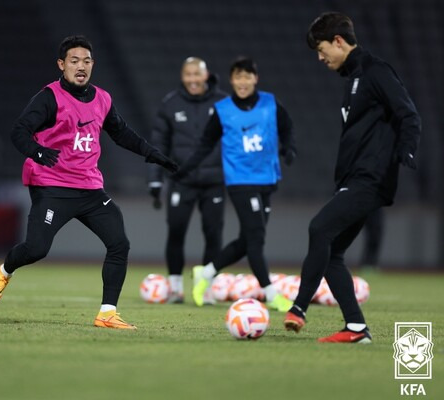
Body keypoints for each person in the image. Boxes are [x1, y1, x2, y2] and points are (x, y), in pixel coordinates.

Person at [0, 35, 178, 330]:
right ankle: (6, 270)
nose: (81, 66)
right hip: (52, 185)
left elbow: (121, 133)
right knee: (37, 249)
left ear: (93, 65)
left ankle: (107, 314)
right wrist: (38, 151)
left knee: (119, 244)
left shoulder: (102, 98)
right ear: (61, 65)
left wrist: (152, 153)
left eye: (86, 61)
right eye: (74, 61)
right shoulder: (48, 98)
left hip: (89, 188)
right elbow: (19, 131)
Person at [284, 12, 421, 343]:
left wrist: (407, 152)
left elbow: (408, 114)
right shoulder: (355, 79)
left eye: (321, 50)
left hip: (370, 178)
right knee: (331, 253)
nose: (320, 58)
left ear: (339, 41)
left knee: (319, 228)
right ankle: (356, 328)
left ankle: (299, 308)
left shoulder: (376, 71)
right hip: (355, 177)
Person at [173, 56, 297, 311]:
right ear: (232, 80)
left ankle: (205, 273)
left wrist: (288, 148)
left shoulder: (270, 103)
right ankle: (272, 294)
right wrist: (185, 168)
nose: (242, 81)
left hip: (267, 179)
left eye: (247, 76)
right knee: (256, 238)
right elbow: (205, 144)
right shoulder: (223, 110)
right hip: (241, 181)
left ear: (255, 78)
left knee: (248, 240)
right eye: (238, 77)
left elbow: (287, 128)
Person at [148, 57, 228, 304]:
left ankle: (207, 288)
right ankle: (175, 287)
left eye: (197, 74)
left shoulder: (224, 103)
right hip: (182, 180)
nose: (193, 79)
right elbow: (159, 144)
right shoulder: (170, 104)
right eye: (188, 75)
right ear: (183, 77)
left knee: (213, 234)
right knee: (176, 230)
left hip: (215, 179)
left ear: (206, 75)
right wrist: (155, 180)